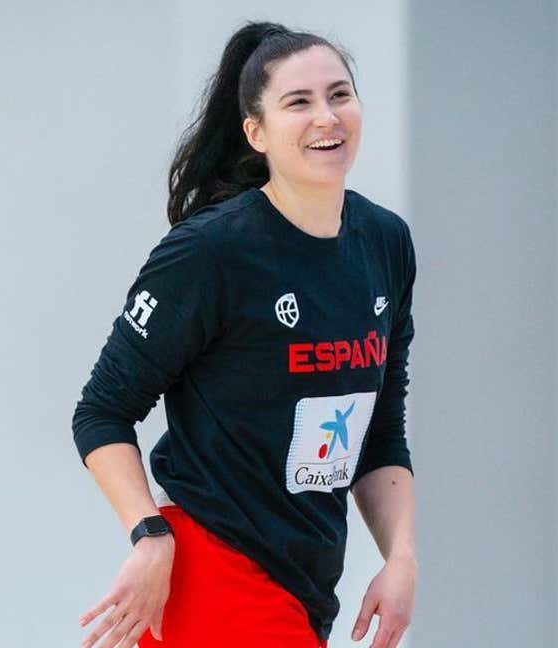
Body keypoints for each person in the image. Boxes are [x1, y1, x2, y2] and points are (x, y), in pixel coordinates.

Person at [73, 20, 418, 648]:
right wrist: (147, 533)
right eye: (299, 102)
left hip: (304, 589)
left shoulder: (385, 243)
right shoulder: (210, 253)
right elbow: (101, 412)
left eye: (340, 95)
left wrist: (400, 559)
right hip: (217, 570)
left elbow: (379, 428)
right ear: (255, 132)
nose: (327, 117)